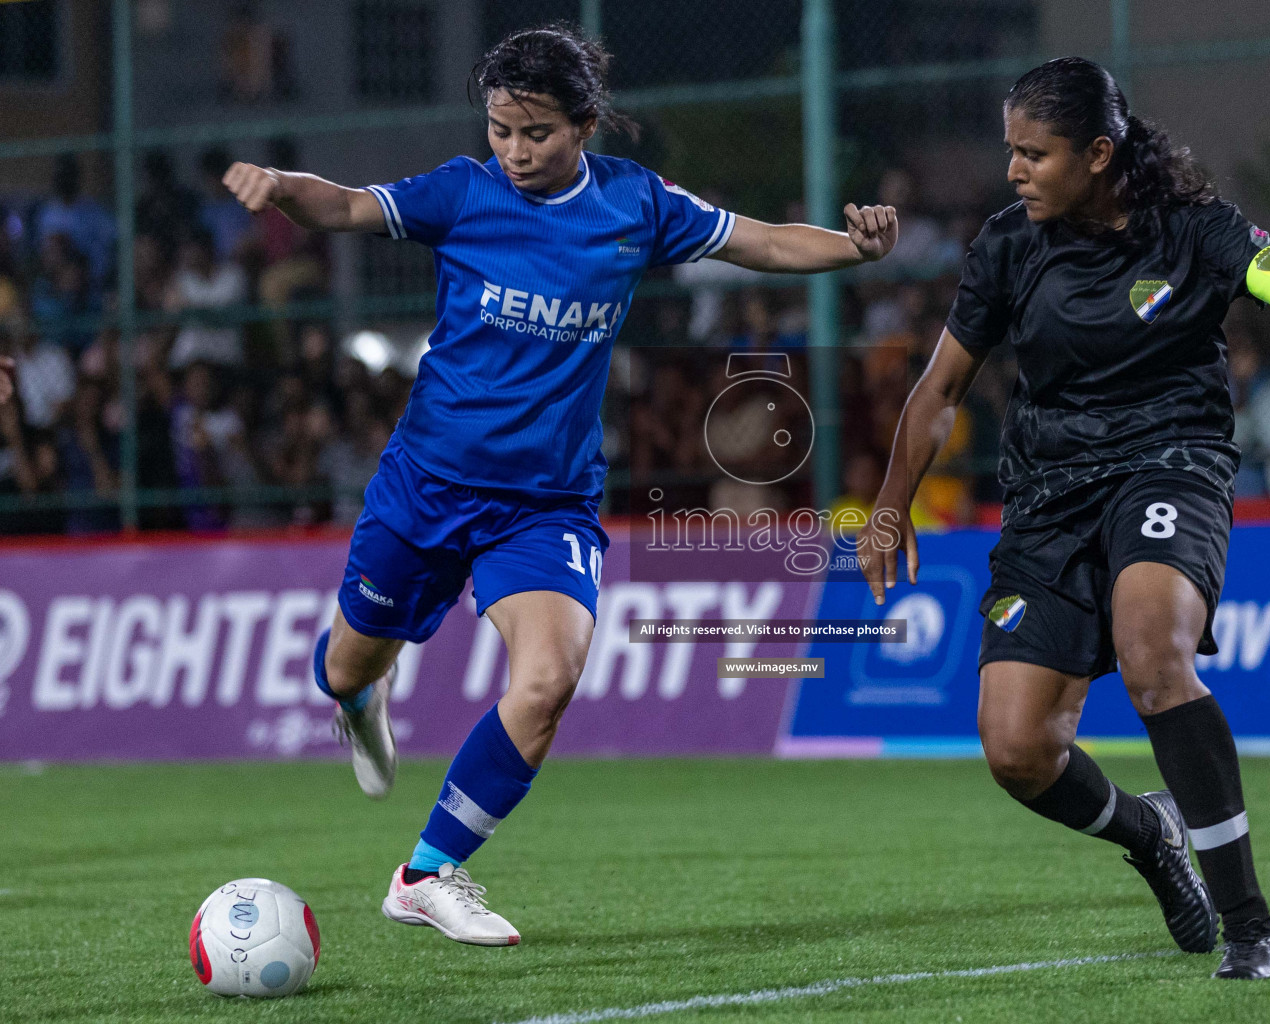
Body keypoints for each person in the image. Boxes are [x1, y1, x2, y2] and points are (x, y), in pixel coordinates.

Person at [222, 23, 897, 947]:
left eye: (534, 131)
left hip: (546, 503)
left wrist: (853, 250)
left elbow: (762, 245)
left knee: (547, 678)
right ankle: (357, 697)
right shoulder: (464, 193)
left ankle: (427, 873)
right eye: (500, 129)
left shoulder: (634, 203)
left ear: (583, 125)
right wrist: (281, 188)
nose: (514, 150)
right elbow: (342, 207)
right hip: (425, 484)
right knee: (348, 663)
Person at [857, 57, 1270, 981]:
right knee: (1017, 750)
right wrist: (888, 507)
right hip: (1050, 496)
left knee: (1152, 650)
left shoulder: (1196, 232)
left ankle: (1251, 923)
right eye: (1010, 150)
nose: (1012, 170)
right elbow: (941, 387)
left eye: (1033, 154)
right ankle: (1150, 829)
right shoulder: (1009, 243)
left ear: (1097, 153)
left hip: (1171, 464)